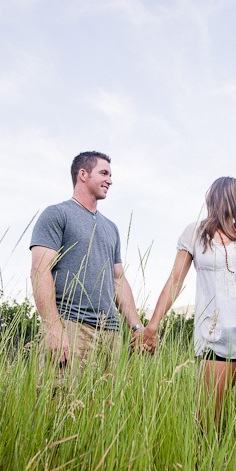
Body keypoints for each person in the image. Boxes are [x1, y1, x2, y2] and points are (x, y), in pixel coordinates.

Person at [143, 176, 236, 424]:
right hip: (218, 336)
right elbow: (175, 281)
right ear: (227, 194)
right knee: (206, 420)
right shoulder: (195, 233)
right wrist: (152, 325)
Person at [30, 151, 145, 375]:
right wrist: (53, 327)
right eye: (103, 173)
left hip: (110, 333)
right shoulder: (57, 214)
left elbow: (118, 279)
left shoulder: (111, 227)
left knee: (103, 407)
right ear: (83, 174)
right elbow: (39, 271)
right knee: (61, 403)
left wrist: (137, 327)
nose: (110, 180)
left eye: (110, 175)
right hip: (72, 326)